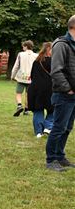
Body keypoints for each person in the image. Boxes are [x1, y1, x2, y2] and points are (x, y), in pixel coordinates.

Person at [45, 15, 75, 172]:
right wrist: (68, 89)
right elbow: (56, 71)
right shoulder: (61, 44)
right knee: (58, 127)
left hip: (73, 95)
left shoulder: (73, 45)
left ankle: (60, 156)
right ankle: (51, 160)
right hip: (64, 94)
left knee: (67, 128)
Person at [27, 42, 54, 138]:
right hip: (49, 89)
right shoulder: (53, 62)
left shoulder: (36, 61)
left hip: (35, 89)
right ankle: (47, 126)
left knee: (38, 110)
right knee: (53, 110)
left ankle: (39, 132)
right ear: (48, 50)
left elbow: (32, 75)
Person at [11, 40, 38, 116]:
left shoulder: (21, 54)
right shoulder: (36, 55)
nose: (22, 47)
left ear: (26, 46)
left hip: (21, 77)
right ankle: (26, 109)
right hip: (31, 78)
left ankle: (19, 105)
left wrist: (12, 76)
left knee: (19, 92)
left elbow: (16, 66)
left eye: (23, 46)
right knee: (28, 94)